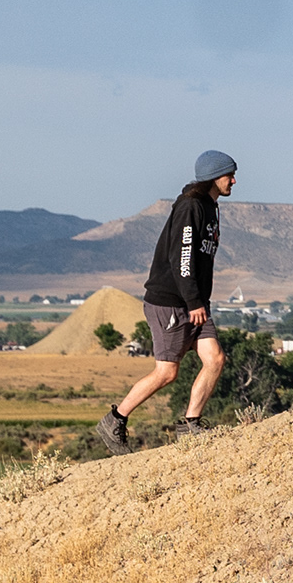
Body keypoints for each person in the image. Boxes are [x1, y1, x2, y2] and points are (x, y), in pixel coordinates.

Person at [97, 152, 234, 448]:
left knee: (215, 359)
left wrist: (198, 301)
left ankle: (191, 424)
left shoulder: (210, 207)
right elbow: (181, 257)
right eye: (229, 175)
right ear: (214, 177)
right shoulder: (190, 207)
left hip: (195, 303)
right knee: (167, 372)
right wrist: (193, 301)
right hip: (171, 301)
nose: (233, 181)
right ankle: (115, 420)